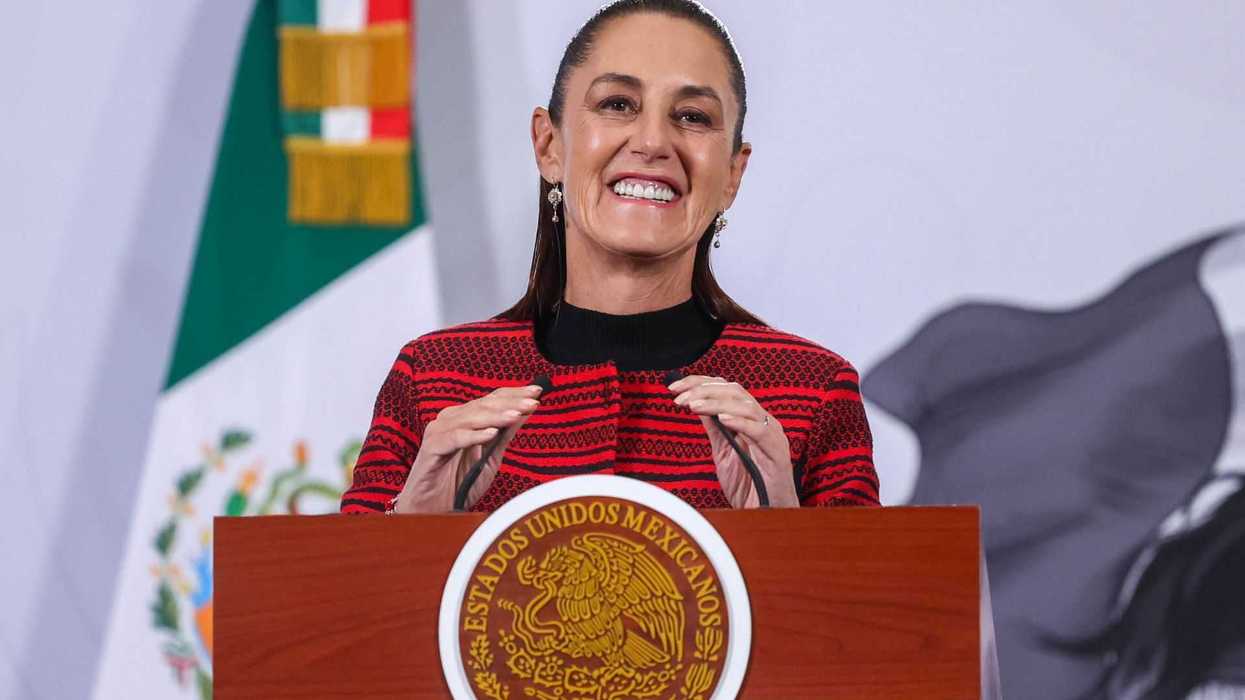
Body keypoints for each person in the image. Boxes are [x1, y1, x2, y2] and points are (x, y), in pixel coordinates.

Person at [340, 0, 878, 515]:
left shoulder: (812, 392)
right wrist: (414, 522)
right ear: (549, 146)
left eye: (692, 116)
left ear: (733, 174)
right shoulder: (434, 380)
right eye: (617, 104)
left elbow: (872, 610)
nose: (652, 142)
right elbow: (340, 605)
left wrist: (786, 530)